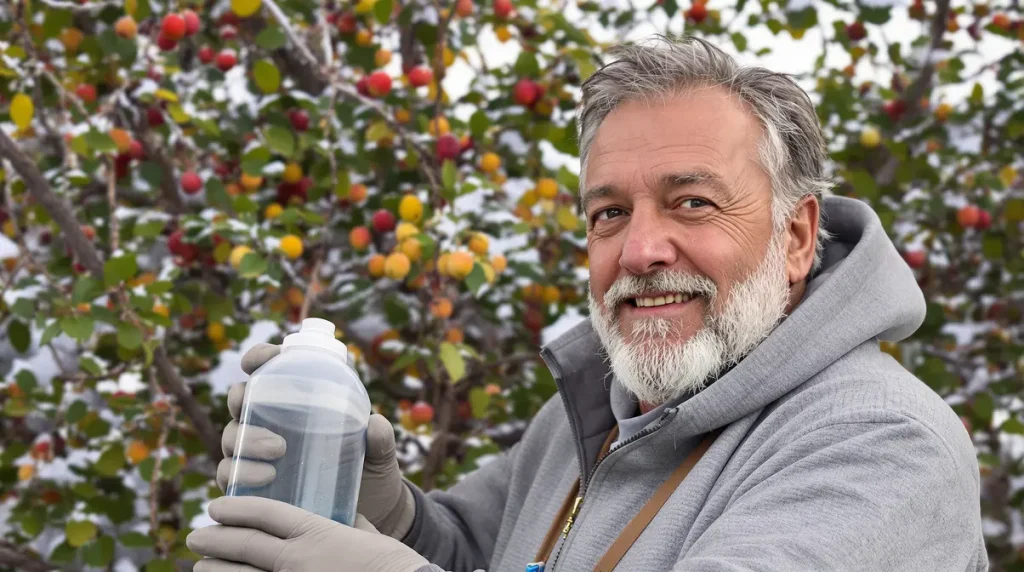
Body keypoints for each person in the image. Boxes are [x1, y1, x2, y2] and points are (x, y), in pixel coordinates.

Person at [186, 35, 987, 572]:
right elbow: (484, 553)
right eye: (609, 213)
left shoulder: (880, 444)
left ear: (798, 236)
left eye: (692, 204)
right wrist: (390, 514)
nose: (639, 251)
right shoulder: (607, 406)